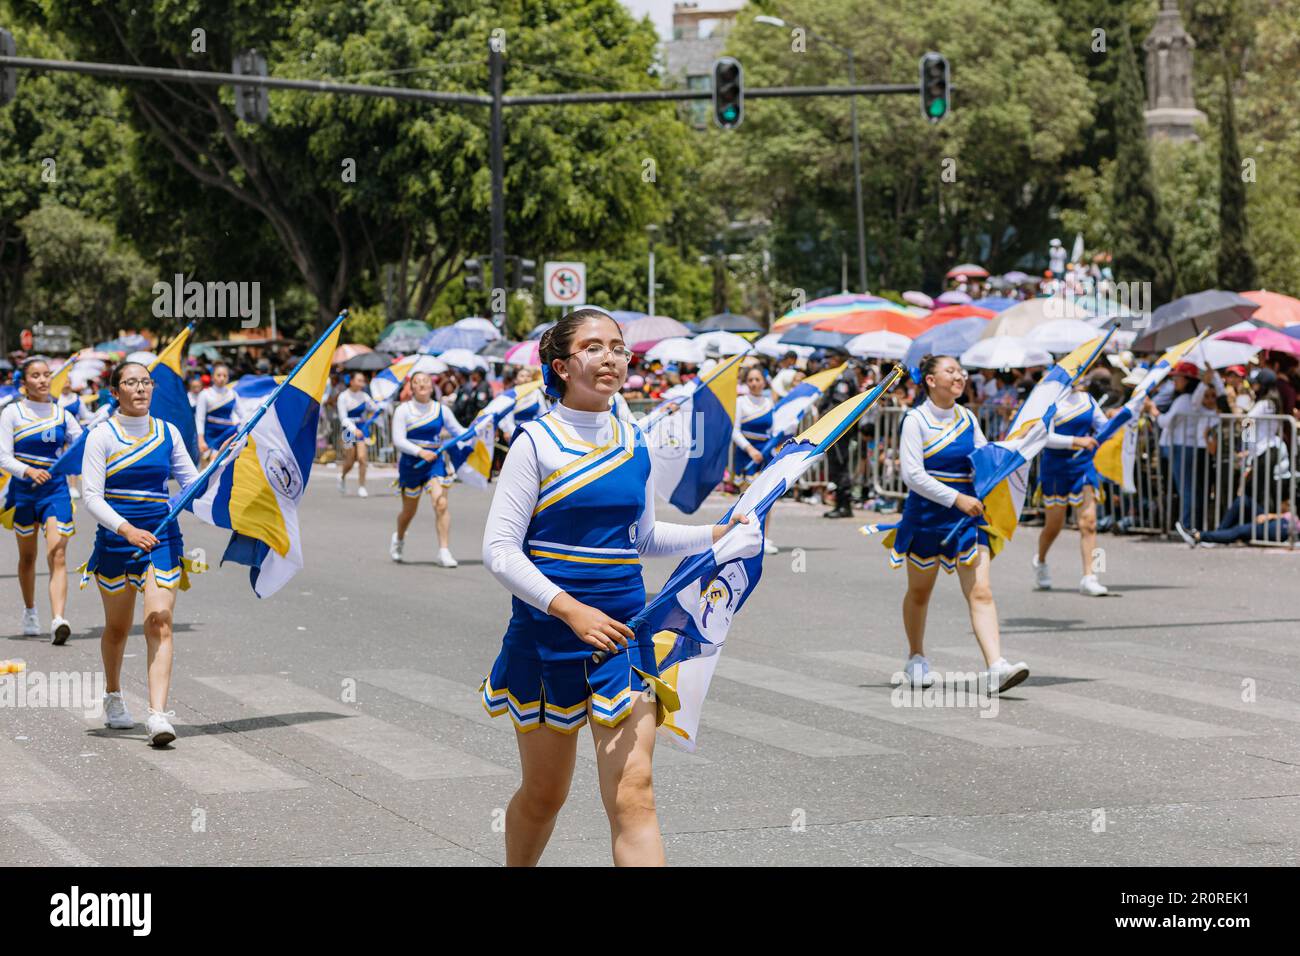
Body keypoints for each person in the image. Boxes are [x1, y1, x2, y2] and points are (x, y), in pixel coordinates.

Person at [480, 308, 755, 867]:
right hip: (546, 641)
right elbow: (499, 550)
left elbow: (645, 538)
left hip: (624, 638)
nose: (610, 356)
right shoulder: (535, 443)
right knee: (544, 796)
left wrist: (715, 533)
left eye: (617, 347)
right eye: (593, 347)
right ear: (560, 365)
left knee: (634, 795)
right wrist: (570, 610)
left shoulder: (634, 442)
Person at [878, 355, 1029, 693]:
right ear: (930, 381)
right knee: (920, 592)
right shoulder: (915, 420)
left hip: (966, 517)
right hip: (927, 517)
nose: (959, 376)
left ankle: (995, 666)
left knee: (981, 590)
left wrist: (1020, 444)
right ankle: (916, 657)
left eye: (961, 372)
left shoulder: (968, 417)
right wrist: (955, 498)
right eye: (950, 371)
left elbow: (983, 460)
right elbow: (912, 475)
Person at [81, 361, 200, 746]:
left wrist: (222, 465)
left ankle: (158, 715)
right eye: (131, 383)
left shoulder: (168, 432)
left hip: (162, 539)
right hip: (117, 542)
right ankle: (114, 696)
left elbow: (191, 483)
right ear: (114, 392)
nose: (140, 389)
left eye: (146, 382)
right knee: (117, 628)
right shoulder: (101, 436)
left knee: (159, 621)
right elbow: (91, 497)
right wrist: (127, 530)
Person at [0, 358, 83, 643]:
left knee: (57, 552)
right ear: (24, 383)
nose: (43, 380)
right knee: (27, 557)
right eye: (36, 375)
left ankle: (58, 618)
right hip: (23, 493)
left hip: (55, 490)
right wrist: (28, 471)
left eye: (47, 375)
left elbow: (83, 444)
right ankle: (30, 610)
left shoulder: (63, 415)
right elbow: (3, 456)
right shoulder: (13, 413)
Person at [1032, 378, 1111, 596]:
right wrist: (1076, 441)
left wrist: (1115, 421)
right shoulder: (1049, 401)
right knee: (1054, 526)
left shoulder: (1088, 400)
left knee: (1089, 523)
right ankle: (1040, 561)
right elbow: (1043, 437)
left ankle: (1091, 576)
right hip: (1055, 469)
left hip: (1083, 467)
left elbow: (1104, 428)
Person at [390, 371, 467, 568]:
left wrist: (480, 427)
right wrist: (419, 452)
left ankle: (444, 550)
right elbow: (398, 440)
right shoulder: (403, 410)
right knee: (409, 511)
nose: (422, 385)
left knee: (440, 503)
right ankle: (398, 538)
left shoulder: (441, 410)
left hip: (435, 462)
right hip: (411, 464)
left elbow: (459, 432)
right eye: (417, 382)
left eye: (425, 381)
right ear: (412, 387)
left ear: (432, 387)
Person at [732, 365, 780, 555]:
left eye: (757, 379)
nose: (754, 383)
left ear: (764, 381)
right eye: (750, 380)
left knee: (767, 497)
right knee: (747, 497)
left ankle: (763, 537)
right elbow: (734, 430)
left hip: (765, 454)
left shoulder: (769, 402)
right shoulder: (741, 402)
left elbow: (774, 431)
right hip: (746, 455)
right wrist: (749, 449)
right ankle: (742, 537)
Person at [821, 360, 862, 518]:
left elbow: (839, 401)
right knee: (837, 466)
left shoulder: (844, 376)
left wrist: (826, 416)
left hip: (838, 426)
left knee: (840, 465)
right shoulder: (842, 374)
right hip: (837, 426)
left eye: (831, 358)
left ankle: (844, 505)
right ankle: (841, 504)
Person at [336, 371, 379, 497]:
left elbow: (374, 408)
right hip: (348, 430)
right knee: (349, 460)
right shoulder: (343, 396)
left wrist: (380, 405)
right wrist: (353, 429)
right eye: (359, 380)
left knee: (362, 458)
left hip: (362, 428)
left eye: (363, 381)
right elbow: (343, 418)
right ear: (351, 381)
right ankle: (342, 475)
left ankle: (362, 486)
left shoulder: (364, 396)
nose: (362, 383)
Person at [195, 363, 239, 464]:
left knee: (224, 465)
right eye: (218, 375)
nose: (222, 378)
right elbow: (199, 418)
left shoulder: (233, 394)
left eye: (225, 375)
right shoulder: (205, 394)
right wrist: (201, 440)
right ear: (212, 377)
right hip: (210, 435)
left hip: (227, 435)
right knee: (208, 467)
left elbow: (242, 416)